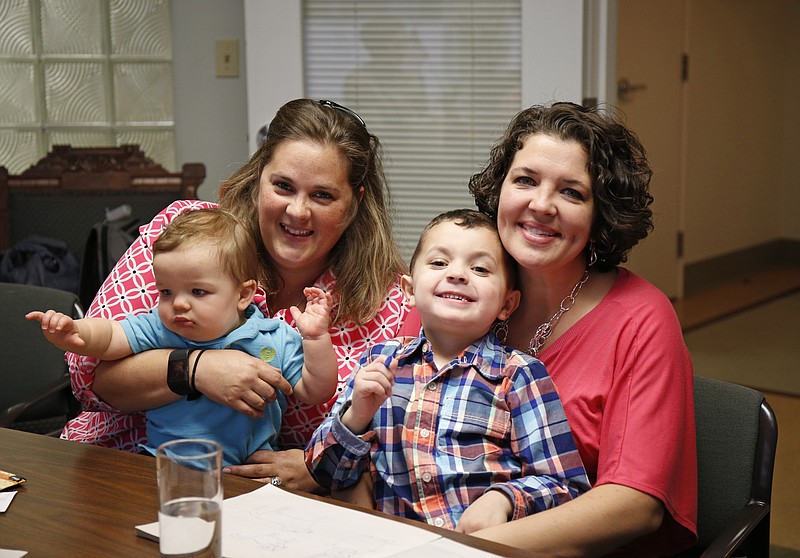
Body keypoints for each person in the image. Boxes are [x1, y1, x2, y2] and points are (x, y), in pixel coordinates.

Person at [62, 99, 411, 491]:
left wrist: (319, 466)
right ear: (258, 177)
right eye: (283, 186)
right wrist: (195, 369)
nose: (297, 211)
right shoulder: (186, 235)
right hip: (120, 464)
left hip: (259, 500)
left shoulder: (389, 303)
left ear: (355, 204)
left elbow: (404, 440)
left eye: (323, 196)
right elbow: (85, 375)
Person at [458, 102, 697, 556]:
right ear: (500, 189)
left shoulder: (641, 319)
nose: (540, 205)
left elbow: (634, 505)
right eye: (525, 180)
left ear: (601, 214)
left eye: (571, 192)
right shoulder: (463, 287)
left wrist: (462, 549)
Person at [306, 209, 590, 533]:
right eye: (439, 263)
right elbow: (322, 470)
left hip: (481, 547)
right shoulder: (379, 361)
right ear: (409, 290)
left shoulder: (520, 375)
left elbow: (566, 486)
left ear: (506, 305)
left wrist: (505, 498)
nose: (457, 274)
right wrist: (355, 416)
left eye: (480, 268)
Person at [28, 208, 336, 467]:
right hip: (163, 467)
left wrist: (315, 338)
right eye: (166, 291)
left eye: (198, 291)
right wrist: (78, 332)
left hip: (247, 476)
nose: (178, 303)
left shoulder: (273, 338)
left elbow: (315, 390)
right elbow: (111, 338)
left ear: (244, 295)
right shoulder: (164, 329)